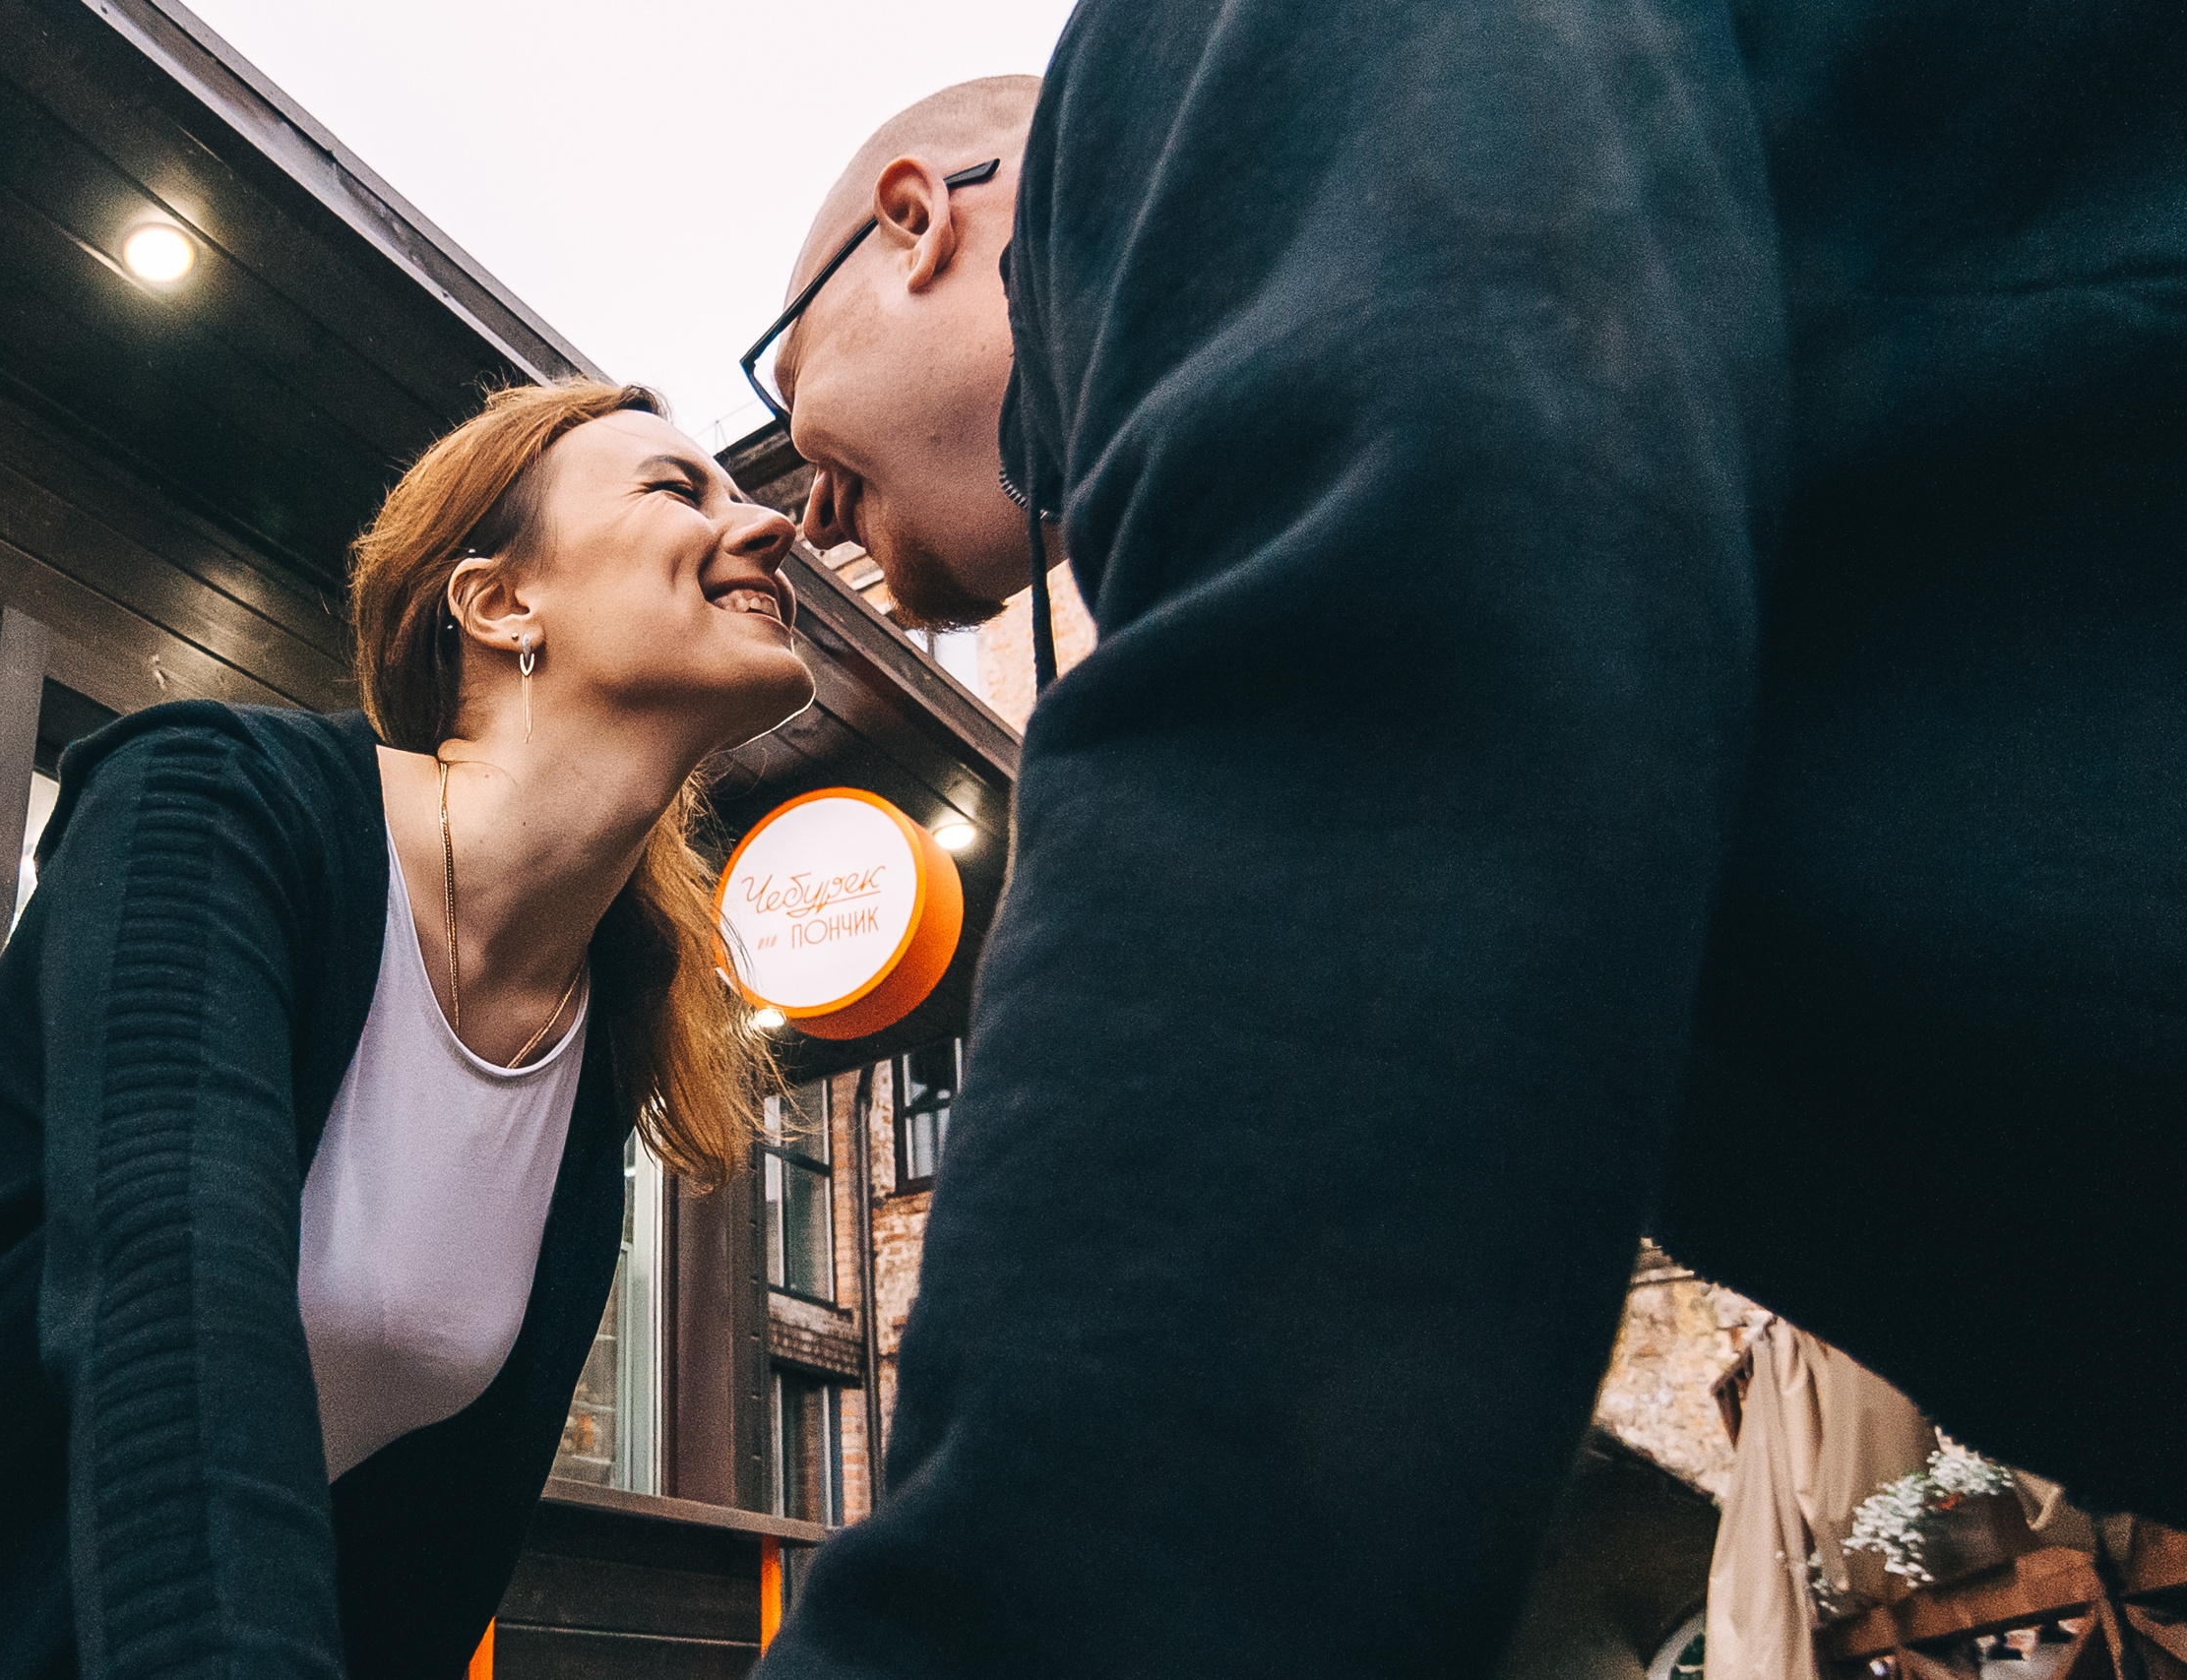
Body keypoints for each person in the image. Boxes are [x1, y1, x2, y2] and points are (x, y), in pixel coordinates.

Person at [749, 5, 2185, 1674]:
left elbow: (1336, 801)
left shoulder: (1230, 45)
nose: (799, 514)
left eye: (785, 382)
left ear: (918, 221)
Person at [0, 380, 813, 1678]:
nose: (766, 525)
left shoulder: (603, 1025)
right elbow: (178, 1319)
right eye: (680, 489)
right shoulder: (215, 804)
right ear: (500, 605)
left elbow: (426, 1552)